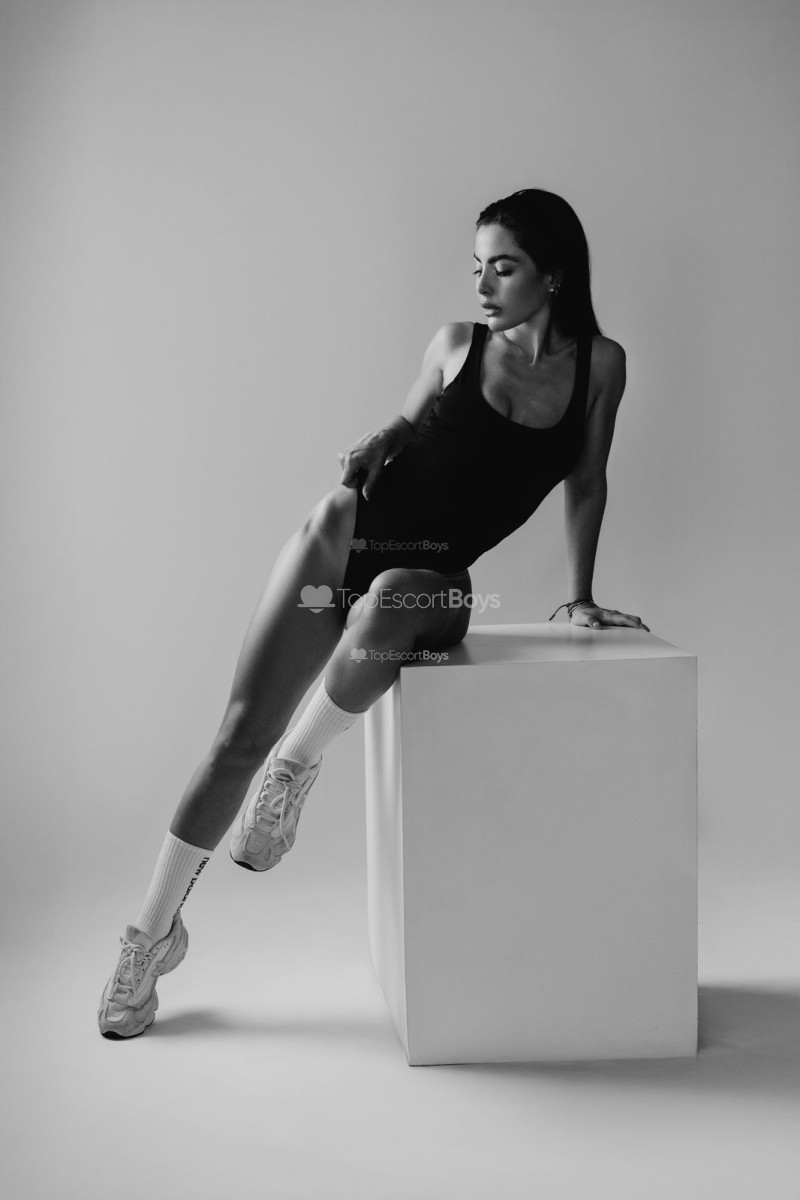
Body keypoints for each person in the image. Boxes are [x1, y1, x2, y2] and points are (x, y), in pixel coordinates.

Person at [97, 187, 650, 1038]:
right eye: (477, 267)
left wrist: (578, 593)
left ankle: (294, 766)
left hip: (433, 585)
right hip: (344, 544)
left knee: (393, 595)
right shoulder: (456, 345)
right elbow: (402, 423)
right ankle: (150, 938)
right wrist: (382, 438)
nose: (482, 285)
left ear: (555, 274)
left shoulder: (600, 367)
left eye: (502, 268)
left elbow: (586, 479)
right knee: (236, 736)